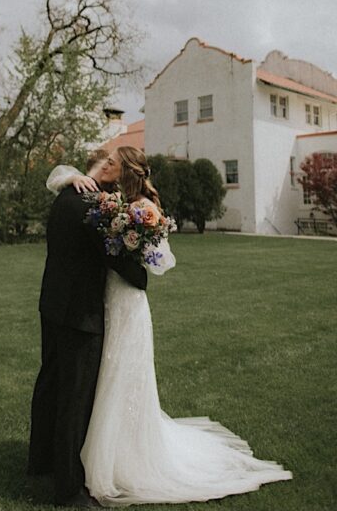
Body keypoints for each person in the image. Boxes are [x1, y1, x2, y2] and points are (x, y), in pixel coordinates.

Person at [49, 146, 292, 505]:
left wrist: (134, 246)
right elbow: (62, 184)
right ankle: (95, 454)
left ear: (126, 171)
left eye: (112, 163)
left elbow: (160, 260)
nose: (105, 166)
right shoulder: (110, 199)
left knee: (123, 378)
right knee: (103, 381)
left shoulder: (144, 207)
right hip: (104, 300)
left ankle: (123, 460)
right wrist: (73, 178)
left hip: (126, 300)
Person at [28, 149, 149, 506]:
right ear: (107, 168)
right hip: (81, 315)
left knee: (50, 382)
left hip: (52, 304)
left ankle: (40, 461)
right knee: (74, 398)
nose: (118, 184)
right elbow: (114, 257)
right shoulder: (93, 207)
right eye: (117, 174)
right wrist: (141, 274)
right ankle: (68, 489)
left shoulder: (67, 194)